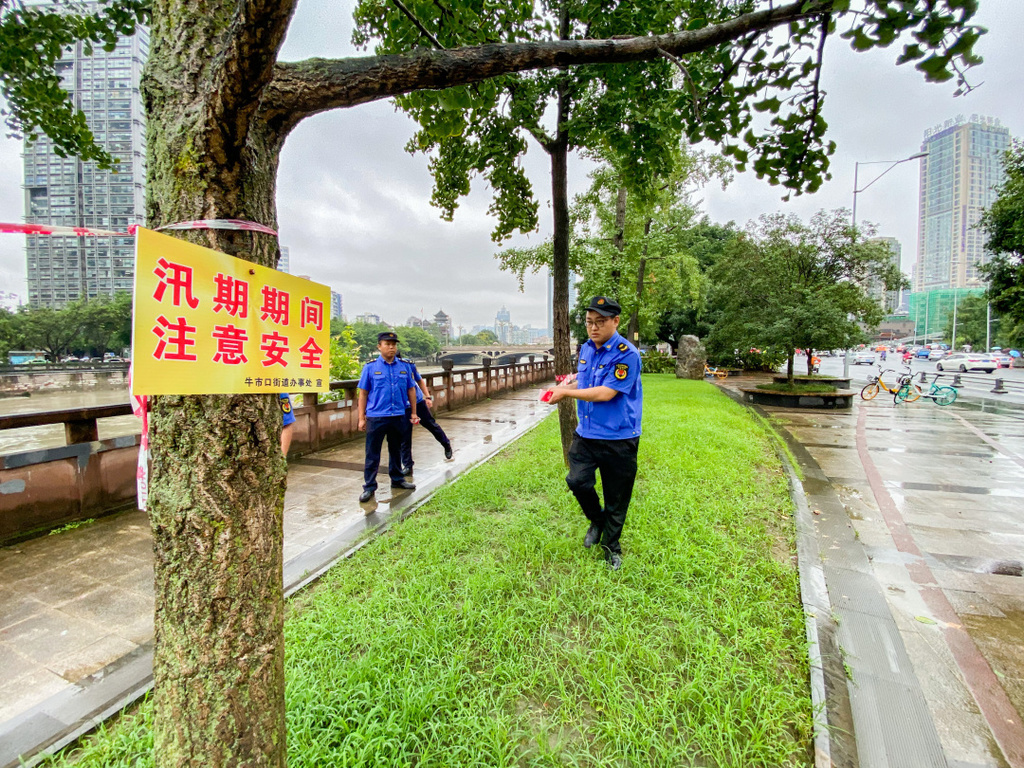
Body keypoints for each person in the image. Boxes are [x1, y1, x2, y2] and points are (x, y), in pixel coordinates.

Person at [546, 296, 642, 571]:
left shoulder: (627, 354)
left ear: (616, 321)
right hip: (586, 434)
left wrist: (566, 392)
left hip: (619, 437)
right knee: (577, 481)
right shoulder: (587, 349)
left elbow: (606, 392)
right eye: (589, 322)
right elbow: (589, 381)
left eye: (600, 322)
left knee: (616, 497)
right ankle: (597, 520)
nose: (593, 328)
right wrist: (570, 382)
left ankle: (612, 547)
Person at [356, 331, 420, 503]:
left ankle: (397, 480)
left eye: (394, 344)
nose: (391, 347)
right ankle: (369, 487)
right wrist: (361, 418)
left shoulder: (404, 367)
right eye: (387, 344)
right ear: (379, 346)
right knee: (372, 453)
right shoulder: (370, 367)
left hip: (398, 415)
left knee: (396, 450)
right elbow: (363, 394)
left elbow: (411, 390)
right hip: (376, 417)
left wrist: (413, 412)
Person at [399, 359, 453, 475]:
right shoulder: (384, 368)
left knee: (431, 425)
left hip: (418, 402)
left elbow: (419, 380)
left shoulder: (408, 365)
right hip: (403, 406)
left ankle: (446, 444)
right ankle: (408, 465)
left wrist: (428, 397)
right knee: (404, 436)